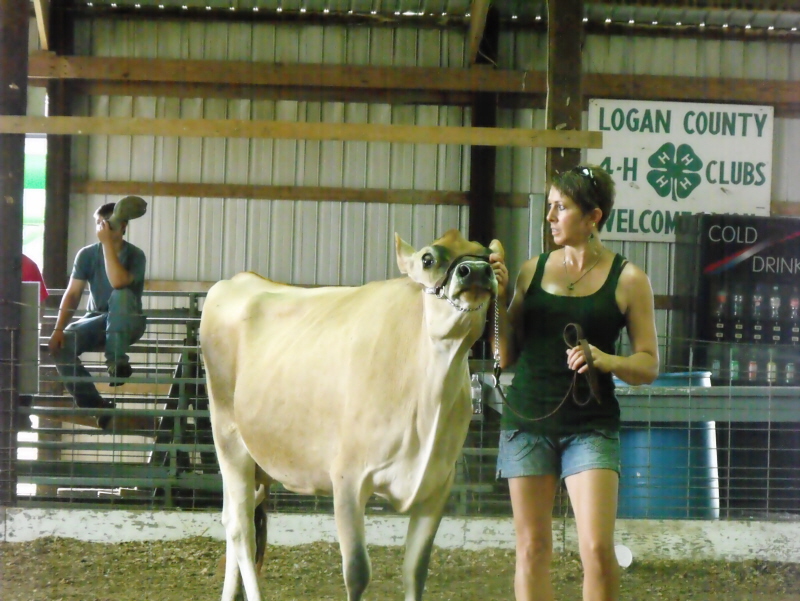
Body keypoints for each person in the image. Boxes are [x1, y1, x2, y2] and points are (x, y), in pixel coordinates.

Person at [489, 165, 659, 601]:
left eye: (560, 207)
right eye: (549, 206)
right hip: (527, 422)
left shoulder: (629, 280)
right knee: (532, 548)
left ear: (593, 216)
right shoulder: (531, 271)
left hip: (591, 426)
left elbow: (648, 365)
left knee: (598, 549)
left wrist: (605, 359)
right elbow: (504, 356)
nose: (550, 217)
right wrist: (499, 300)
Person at [48, 201, 147, 429]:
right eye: (99, 223)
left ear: (123, 226)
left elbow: (118, 282)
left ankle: (116, 362)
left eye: (107, 224)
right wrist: (58, 329)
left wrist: (107, 245)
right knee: (61, 346)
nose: (102, 228)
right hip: (97, 320)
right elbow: (73, 293)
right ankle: (96, 406)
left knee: (121, 295)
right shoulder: (86, 255)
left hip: (128, 320)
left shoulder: (135, 255)